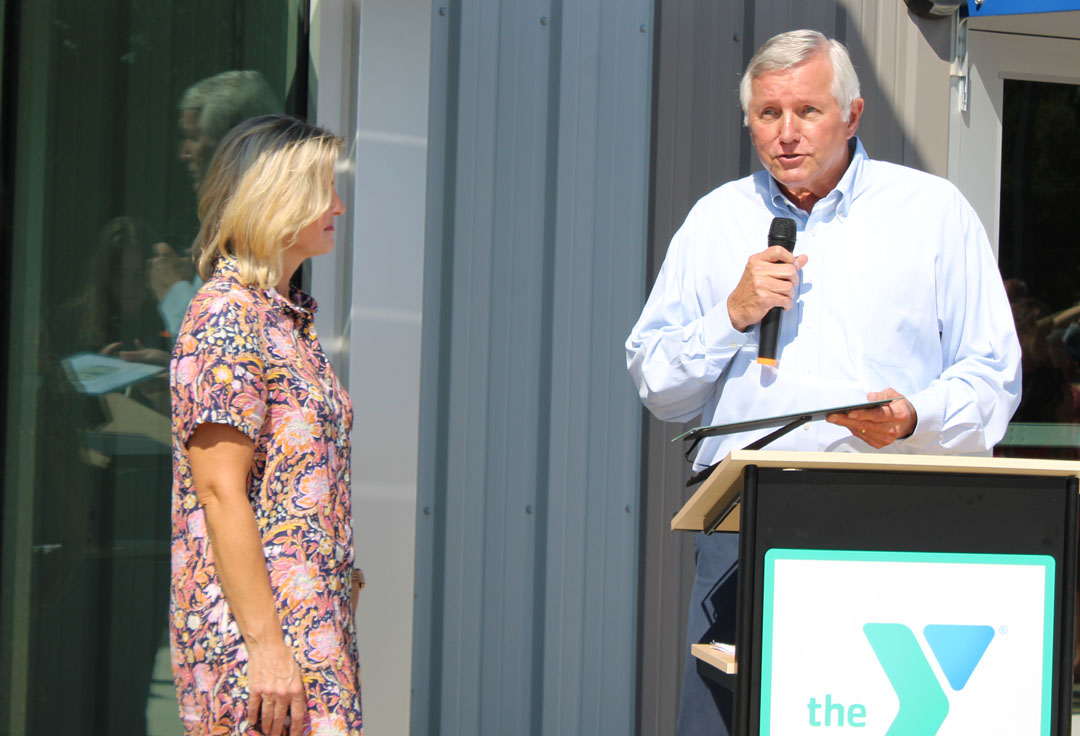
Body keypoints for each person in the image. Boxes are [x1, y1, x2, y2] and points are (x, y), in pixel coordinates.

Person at [625, 30, 1021, 735]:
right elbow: (659, 386)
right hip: (745, 523)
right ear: (748, 121)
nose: (785, 134)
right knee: (730, 718)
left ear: (854, 114)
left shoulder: (932, 213)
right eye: (768, 114)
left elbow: (994, 374)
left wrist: (914, 416)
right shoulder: (715, 222)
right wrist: (732, 315)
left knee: (878, 713)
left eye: (806, 111)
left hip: (892, 512)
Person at [168, 114, 362, 736]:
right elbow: (220, 489)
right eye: (322, 190)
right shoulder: (228, 317)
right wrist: (268, 648)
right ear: (276, 199)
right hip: (262, 643)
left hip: (306, 626)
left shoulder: (283, 320)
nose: (338, 205)